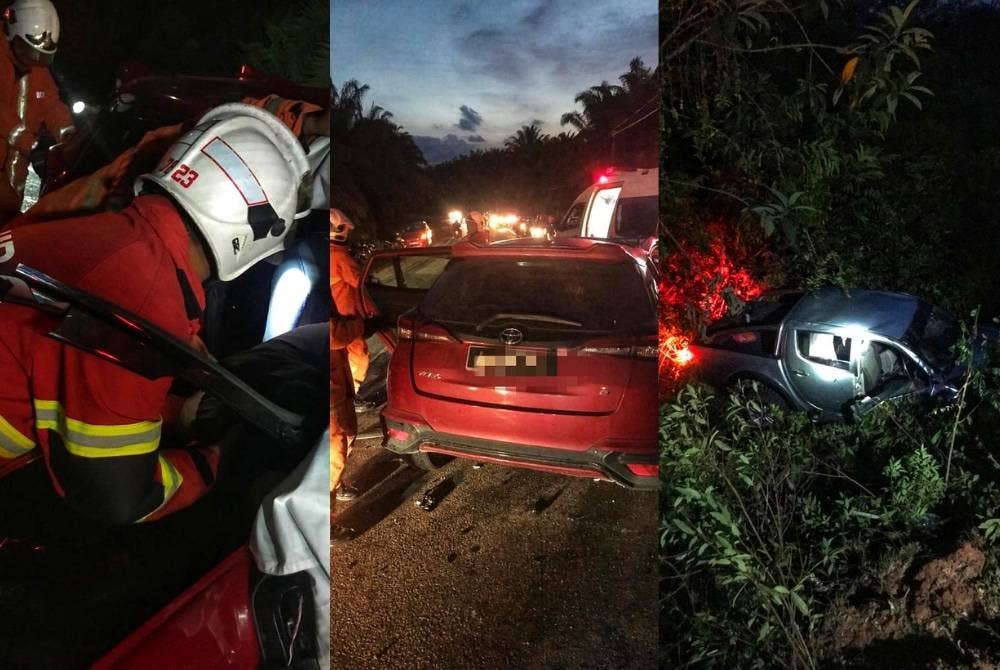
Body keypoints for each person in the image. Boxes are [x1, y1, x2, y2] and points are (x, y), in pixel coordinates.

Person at [0, 102, 310, 524]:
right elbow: (117, 496)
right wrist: (213, 463)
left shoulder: (110, 242)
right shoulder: (142, 296)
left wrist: (176, 413)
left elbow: (81, 390)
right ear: (254, 233)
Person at [0, 0, 74, 221]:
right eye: (29, 51)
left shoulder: (37, 71)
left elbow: (51, 103)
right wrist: (31, 144)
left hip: (13, 179)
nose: (33, 60)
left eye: (40, 55)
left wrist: (68, 136)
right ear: (11, 33)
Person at [329, 208, 367, 501]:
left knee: (345, 433)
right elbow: (361, 283)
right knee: (335, 443)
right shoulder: (339, 257)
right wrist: (362, 323)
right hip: (341, 343)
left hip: (338, 362)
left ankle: (336, 486)